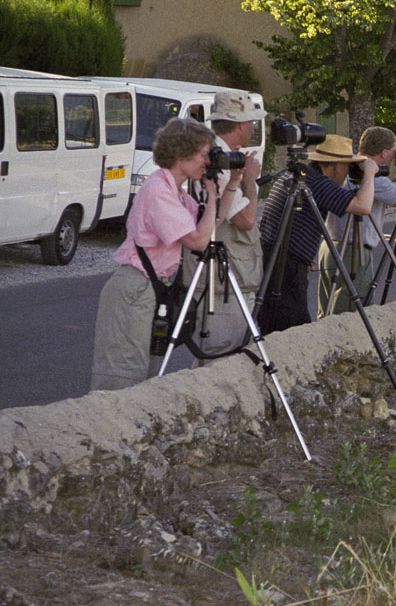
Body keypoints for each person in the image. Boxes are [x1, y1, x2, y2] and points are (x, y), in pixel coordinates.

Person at [91, 118, 229, 391]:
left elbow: (209, 227)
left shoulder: (175, 192)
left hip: (153, 289)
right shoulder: (158, 190)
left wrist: (230, 186)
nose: (207, 161)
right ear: (182, 153)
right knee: (123, 376)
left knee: (146, 375)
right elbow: (199, 242)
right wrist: (213, 197)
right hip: (136, 288)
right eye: (204, 153)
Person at [257, 134, 377, 334]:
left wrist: (302, 253)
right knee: (293, 328)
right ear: (337, 166)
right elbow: (362, 207)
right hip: (285, 264)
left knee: (274, 321)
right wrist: (370, 174)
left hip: (274, 256)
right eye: (347, 167)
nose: (347, 174)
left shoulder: (297, 176)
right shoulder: (317, 182)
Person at [183, 91, 266, 364]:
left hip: (226, 279)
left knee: (217, 360)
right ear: (241, 125)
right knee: (220, 360)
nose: (254, 128)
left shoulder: (221, 156)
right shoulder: (218, 162)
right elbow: (246, 220)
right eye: (252, 122)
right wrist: (250, 182)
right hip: (222, 283)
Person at [316, 126, 396, 315]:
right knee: (352, 313)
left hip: (329, 246)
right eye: (393, 152)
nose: (394, 156)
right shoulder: (373, 177)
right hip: (353, 251)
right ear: (383, 153)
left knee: (326, 310)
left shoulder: (347, 166)